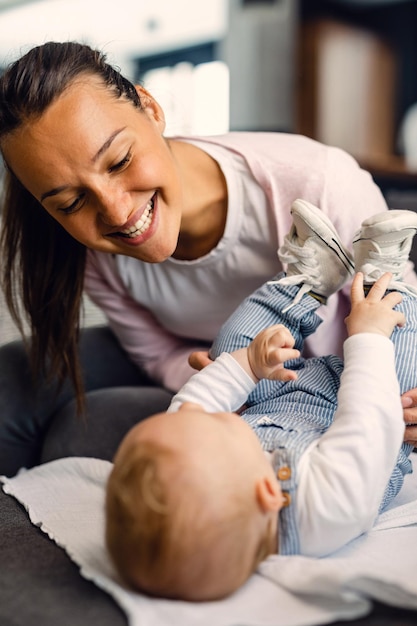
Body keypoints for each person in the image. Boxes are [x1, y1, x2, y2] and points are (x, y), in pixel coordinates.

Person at [1, 41, 417, 478]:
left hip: (333, 381)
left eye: (120, 160)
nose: (117, 212)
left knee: (81, 430)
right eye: (70, 202)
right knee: (15, 377)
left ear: (150, 108)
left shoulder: (319, 182)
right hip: (213, 370)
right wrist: (223, 376)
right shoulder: (89, 248)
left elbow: (398, 300)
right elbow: (155, 351)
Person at [105, 203, 417, 602]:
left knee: (227, 352)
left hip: (282, 392)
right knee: (403, 382)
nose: (198, 413)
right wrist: (367, 336)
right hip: (371, 412)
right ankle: (383, 281)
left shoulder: (201, 461)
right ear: (269, 492)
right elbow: (369, 423)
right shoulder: (325, 512)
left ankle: (306, 281)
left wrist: (249, 364)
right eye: (215, 426)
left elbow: (195, 402)